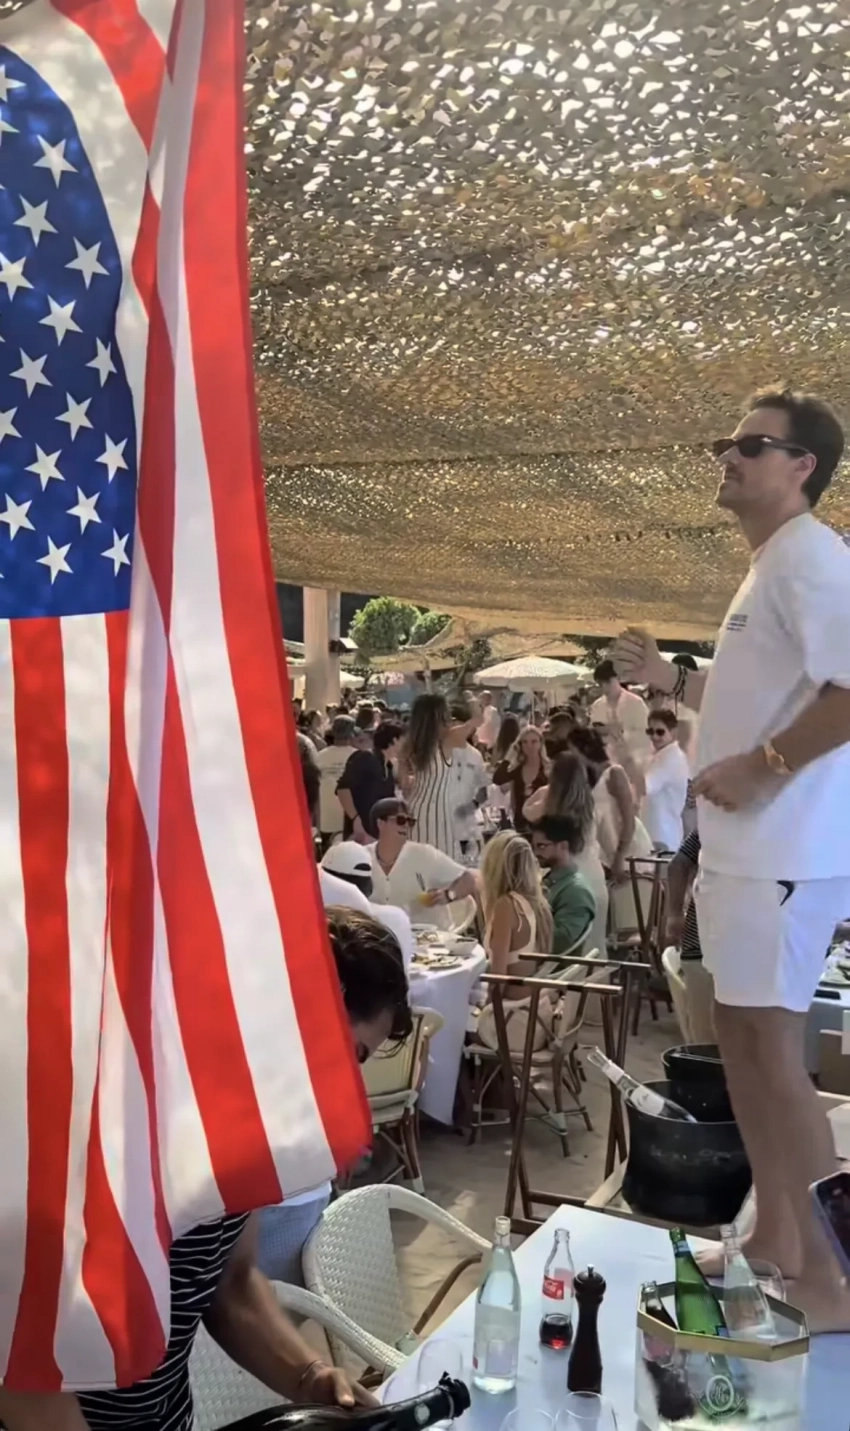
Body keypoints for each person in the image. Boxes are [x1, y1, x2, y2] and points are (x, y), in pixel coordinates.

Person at [612, 385, 850, 1331]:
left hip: (784, 849)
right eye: (727, 440)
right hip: (751, 853)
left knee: (775, 1060)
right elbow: (764, 693)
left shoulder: (811, 556)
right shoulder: (772, 566)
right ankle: (776, 1241)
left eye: (751, 444)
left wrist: (762, 766)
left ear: (802, 466)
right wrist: (671, 680)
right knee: (745, 1050)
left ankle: (830, 1278)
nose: (729, 455)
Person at [4, 907, 410, 1431]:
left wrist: (310, 1377)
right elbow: (21, 1370)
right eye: (341, 1051)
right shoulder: (108, 1118)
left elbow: (232, 1283)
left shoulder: (249, 1133)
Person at [523, 752, 608, 958]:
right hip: (595, 878)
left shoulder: (549, 807)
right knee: (595, 945)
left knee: (569, 950)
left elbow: (526, 810)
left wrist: (546, 790)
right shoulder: (592, 803)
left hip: (568, 880)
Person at [399, 694, 482, 858]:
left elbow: (405, 785)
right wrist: (474, 702)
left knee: (418, 860)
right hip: (441, 811)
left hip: (415, 809)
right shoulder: (449, 738)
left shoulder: (409, 744)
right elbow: (477, 721)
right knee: (442, 861)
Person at [369, 797, 478, 919]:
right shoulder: (362, 857)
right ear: (380, 823)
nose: (406, 826)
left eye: (410, 822)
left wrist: (448, 895)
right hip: (380, 930)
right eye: (401, 820)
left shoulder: (425, 854)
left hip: (428, 930)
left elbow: (469, 878)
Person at [567, 726, 652, 878]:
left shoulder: (614, 774)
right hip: (607, 850)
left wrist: (620, 857)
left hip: (628, 849)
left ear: (583, 750)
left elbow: (629, 820)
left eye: (571, 750)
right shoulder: (586, 780)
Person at [662, 829, 717, 1043]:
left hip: (705, 946)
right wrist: (675, 915)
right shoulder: (712, 822)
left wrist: (675, 914)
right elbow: (677, 864)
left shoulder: (712, 821)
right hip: (704, 947)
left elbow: (678, 864)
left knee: (707, 1038)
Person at [478, 830, 553, 978]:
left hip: (512, 992)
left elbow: (498, 979)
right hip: (534, 989)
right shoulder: (537, 902)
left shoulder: (506, 905)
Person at [531, 817, 597, 959]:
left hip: (548, 966)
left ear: (563, 846)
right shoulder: (551, 880)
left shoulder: (576, 891)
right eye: (534, 847)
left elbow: (560, 941)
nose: (535, 853)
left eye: (541, 846)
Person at [336, 718, 404, 840]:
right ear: (394, 740)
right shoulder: (365, 757)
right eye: (404, 740)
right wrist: (355, 819)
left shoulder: (388, 766)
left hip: (377, 836)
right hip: (360, 834)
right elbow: (343, 790)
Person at [642, 708, 690, 853]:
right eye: (650, 731)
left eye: (660, 732)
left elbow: (645, 787)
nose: (654, 736)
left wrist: (627, 759)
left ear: (673, 732)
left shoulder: (670, 758)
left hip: (662, 836)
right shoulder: (661, 755)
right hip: (658, 833)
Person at [589, 658, 651, 766]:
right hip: (607, 763)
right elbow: (593, 736)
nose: (605, 687)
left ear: (618, 678)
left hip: (636, 761)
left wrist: (621, 732)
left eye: (608, 682)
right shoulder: (597, 706)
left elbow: (646, 734)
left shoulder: (635, 703)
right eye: (600, 684)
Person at [492, 724, 549, 836]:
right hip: (520, 827)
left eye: (534, 742)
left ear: (540, 743)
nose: (529, 746)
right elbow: (498, 779)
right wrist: (509, 755)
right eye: (525, 742)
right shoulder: (517, 769)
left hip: (543, 828)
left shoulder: (548, 769)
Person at [450, 703, 489, 857]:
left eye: (459, 723)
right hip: (443, 826)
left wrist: (473, 804)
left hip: (468, 827)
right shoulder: (438, 753)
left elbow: (483, 789)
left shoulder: (475, 755)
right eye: (452, 723)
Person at [315, 715, 358, 849]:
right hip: (351, 818)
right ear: (352, 733)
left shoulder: (320, 756)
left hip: (326, 819)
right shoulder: (359, 756)